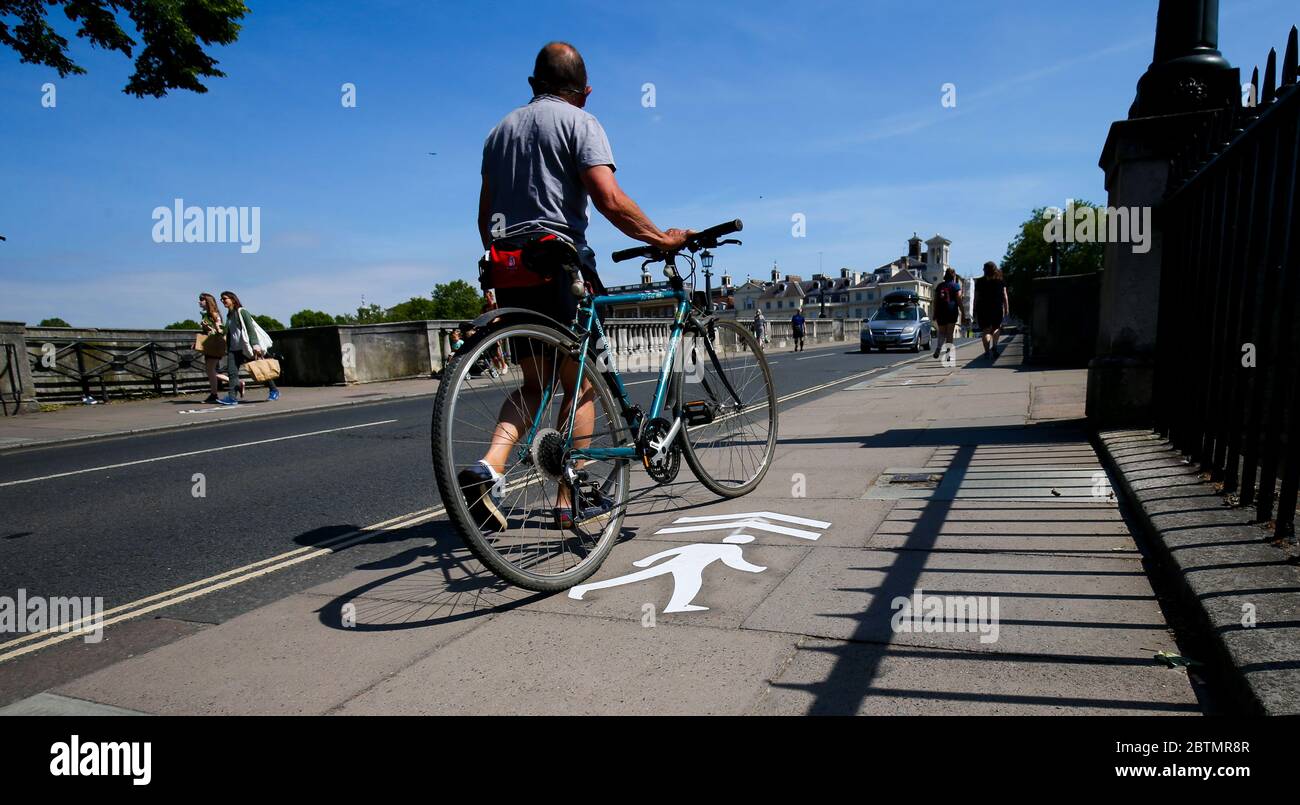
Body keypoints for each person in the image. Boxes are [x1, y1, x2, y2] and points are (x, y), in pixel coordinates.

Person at [461, 41, 689, 531]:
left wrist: (499, 267)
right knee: (580, 386)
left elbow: (485, 216)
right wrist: (659, 238)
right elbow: (608, 199)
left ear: (532, 85)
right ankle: (570, 498)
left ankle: (490, 467)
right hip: (559, 266)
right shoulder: (581, 123)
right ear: (584, 92)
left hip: (510, 267)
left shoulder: (498, 133)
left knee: (534, 383)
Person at [215, 291, 280, 405]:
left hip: (245, 348)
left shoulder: (242, 312)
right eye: (221, 299)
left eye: (225, 298)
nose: (223, 301)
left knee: (260, 369)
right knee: (232, 373)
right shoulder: (229, 315)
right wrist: (218, 326)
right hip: (234, 349)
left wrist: (255, 345)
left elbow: (250, 328)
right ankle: (232, 398)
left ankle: (274, 390)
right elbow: (227, 332)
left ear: (233, 299)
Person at [197, 292, 230, 403]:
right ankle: (214, 394)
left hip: (214, 344)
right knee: (210, 370)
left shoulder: (214, 314)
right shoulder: (208, 314)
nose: (199, 302)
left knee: (210, 370)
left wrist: (210, 329)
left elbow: (220, 330)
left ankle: (215, 394)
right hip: (211, 344)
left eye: (201, 299)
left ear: (207, 301)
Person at [974, 261, 1010, 358]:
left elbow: (976, 297)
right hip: (997, 307)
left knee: (986, 331)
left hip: (983, 308)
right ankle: (994, 346)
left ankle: (986, 352)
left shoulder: (980, 282)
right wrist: (1006, 308)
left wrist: (974, 310)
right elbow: (1005, 296)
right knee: (996, 328)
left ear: (985, 270)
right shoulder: (1000, 281)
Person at [930, 268, 965, 361]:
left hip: (940, 311)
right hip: (951, 310)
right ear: (953, 276)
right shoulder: (955, 286)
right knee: (949, 333)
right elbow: (959, 299)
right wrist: (963, 312)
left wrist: (934, 313)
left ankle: (938, 348)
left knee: (941, 332)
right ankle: (948, 354)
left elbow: (935, 301)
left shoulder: (939, 286)